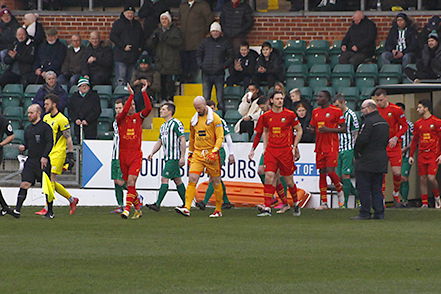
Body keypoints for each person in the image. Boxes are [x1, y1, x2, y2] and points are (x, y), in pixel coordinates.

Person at [248, 91, 303, 217]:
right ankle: (267, 208)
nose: (280, 101)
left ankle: (295, 203)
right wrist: (254, 149)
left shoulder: (289, 115)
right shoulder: (266, 116)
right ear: (271, 100)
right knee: (269, 176)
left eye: (282, 99)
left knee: (289, 181)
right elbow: (262, 132)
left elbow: (299, 130)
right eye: (277, 98)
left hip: (285, 151)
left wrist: (295, 146)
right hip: (271, 151)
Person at [175, 96, 225, 218]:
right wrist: (190, 153)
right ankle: (187, 207)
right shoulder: (194, 120)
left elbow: (220, 137)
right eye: (195, 108)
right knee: (192, 178)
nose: (197, 110)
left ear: (204, 105)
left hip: (210, 153)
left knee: (216, 181)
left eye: (199, 107)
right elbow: (192, 137)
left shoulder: (215, 119)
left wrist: (214, 151)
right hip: (198, 153)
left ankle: (218, 209)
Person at [34, 94, 78, 216]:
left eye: (47, 104)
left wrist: (70, 155)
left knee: (50, 179)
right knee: (49, 181)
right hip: (48, 153)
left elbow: (68, 138)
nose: (45, 106)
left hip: (58, 153)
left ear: (54, 104)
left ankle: (47, 208)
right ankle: (71, 199)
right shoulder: (46, 118)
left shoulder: (62, 119)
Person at [10, 104, 54, 219]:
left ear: (38, 113)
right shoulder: (28, 128)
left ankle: (50, 211)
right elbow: (27, 144)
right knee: (24, 184)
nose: (29, 115)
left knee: (46, 187)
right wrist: (24, 147)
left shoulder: (45, 127)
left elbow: (50, 143)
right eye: (28, 113)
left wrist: (45, 156)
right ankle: (17, 210)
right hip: (31, 160)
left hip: (43, 161)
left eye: (31, 113)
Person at [117, 82, 152, 219]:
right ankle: (138, 207)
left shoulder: (139, 118)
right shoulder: (120, 119)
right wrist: (131, 96)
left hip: (135, 155)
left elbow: (148, 108)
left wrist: (143, 93)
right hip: (123, 155)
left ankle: (127, 209)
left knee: (131, 182)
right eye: (130, 104)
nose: (132, 107)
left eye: (133, 105)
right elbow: (124, 111)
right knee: (129, 185)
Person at [351, 99, 389, 220]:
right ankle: (379, 212)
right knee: (377, 188)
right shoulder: (384, 122)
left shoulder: (368, 122)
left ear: (368, 108)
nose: (362, 111)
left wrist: (356, 153)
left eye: (363, 109)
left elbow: (362, 140)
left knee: (364, 187)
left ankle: (365, 212)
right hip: (381, 158)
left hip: (367, 159)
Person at [146, 102, 186, 211]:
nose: (161, 111)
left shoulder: (176, 123)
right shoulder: (163, 126)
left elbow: (182, 139)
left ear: (170, 111)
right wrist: (152, 152)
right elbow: (160, 141)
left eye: (163, 109)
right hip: (167, 157)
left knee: (165, 179)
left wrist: (182, 157)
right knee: (178, 180)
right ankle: (186, 203)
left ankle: (157, 204)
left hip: (174, 157)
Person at [309, 90, 346, 210]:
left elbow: (344, 129)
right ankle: (324, 202)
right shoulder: (315, 112)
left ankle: (339, 189)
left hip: (331, 146)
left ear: (327, 98)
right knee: (322, 173)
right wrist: (310, 130)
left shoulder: (336, 111)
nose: (317, 98)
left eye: (320, 96)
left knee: (330, 171)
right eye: (317, 96)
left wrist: (328, 130)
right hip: (319, 147)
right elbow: (314, 127)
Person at [196, 100, 235, 210]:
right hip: (206, 151)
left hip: (218, 151)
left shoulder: (219, 121)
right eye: (209, 108)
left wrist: (231, 153)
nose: (211, 110)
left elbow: (227, 137)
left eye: (213, 108)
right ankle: (226, 201)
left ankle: (204, 202)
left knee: (213, 177)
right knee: (216, 177)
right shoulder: (200, 121)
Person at [374, 88, 408, 207]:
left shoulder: (396, 110)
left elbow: (405, 126)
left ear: (386, 98)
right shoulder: (375, 110)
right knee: (381, 172)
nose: (379, 103)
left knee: (397, 172)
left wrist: (395, 137)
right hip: (380, 146)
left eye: (381, 100)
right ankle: (381, 198)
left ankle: (395, 192)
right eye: (377, 100)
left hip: (394, 145)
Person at [409, 100, 441, 209]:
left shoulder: (437, 122)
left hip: (434, 154)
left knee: (431, 178)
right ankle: (424, 203)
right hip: (422, 154)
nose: (418, 109)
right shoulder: (418, 123)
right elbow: (415, 141)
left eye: (419, 107)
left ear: (426, 108)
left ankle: (437, 197)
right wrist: (411, 155)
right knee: (422, 178)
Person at [148, 11, 184, 101]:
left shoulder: (175, 30)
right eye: (162, 19)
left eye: (165, 19)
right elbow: (149, 44)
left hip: (172, 62)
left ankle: (171, 98)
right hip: (160, 61)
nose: (163, 21)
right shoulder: (157, 31)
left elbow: (179, 42)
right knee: (161, 82)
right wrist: (154, 39)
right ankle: (163, 99)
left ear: (169, 20)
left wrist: (166, 38)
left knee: (170, 82)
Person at [197, 22, 232, 111]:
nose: (215, 33)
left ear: (220, 32)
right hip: (206, 74)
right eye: (213, 31)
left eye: (217, 31)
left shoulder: (225, 42)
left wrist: (222, 66)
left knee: (220, 97)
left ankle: (221, 116)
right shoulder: (205, 42)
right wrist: (202, 66)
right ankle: (204, 115)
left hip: (219, 74)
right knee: (205, 97)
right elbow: (198, 55)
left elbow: (230, 57)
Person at [178, 0, 214, 83]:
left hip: (197, 42)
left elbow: (209, 20)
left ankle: (194, 82)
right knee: (185, 65)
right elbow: (180, 20)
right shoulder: (183, 5)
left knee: (195, 66)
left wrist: (202, 32)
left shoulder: (203, 5)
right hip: (184, 42)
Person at [334, 95, 359, 207]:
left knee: (345, 175)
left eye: (338, 105)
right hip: (336, 148)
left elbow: (355, 132)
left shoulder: (351, 115)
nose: (336, 107)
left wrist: (354, 147)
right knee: (338, 176)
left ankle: (344, 203)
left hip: (348, 148)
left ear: (343, 102)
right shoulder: (335, 114)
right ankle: (358, 195)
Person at [110, 6, 144, 86]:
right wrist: (123, 46)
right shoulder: (118, 23)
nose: (130, 15)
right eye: (128, 13)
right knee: (121, 79)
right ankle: (120, 97)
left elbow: (142, 37)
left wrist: (140, 48)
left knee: (131, 80)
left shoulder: (137, 24)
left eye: (132, 13)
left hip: (133, 57)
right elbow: (113, 36)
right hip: (121, 57)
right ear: (124, 13)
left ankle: (129, 97)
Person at [68, 76, 102, 143]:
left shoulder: (94, 96)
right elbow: (71, 110)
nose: (84, 87)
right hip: (78, 125)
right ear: (78, 87)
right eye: (82, 86)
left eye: (86, 85)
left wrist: (87, 120)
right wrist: (76, 119)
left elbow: (97, 110)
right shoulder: (73, 97)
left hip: (91, 125)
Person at [396, 102, 413, 207]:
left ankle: (405, 200)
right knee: (397, 177)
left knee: (404, 177)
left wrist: (404, 149)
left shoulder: (409, 125)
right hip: (396, 156)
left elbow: (413, 141)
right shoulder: (393, 124)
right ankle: (399, 199)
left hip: (406, 155)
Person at [110, 98, 125, 214]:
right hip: (115, 154)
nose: (118, 110)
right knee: (116, 180)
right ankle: (120, 205)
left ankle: (136, 197)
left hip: (122, 154)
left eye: (120, 108)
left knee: (121, 181)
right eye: (116, 108)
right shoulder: (115, 121)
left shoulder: (126, 120)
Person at [0, 112, 14, 216]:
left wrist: (0, 144)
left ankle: (5, 207)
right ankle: (5, 207)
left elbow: (11, 135)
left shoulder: (3, 120)